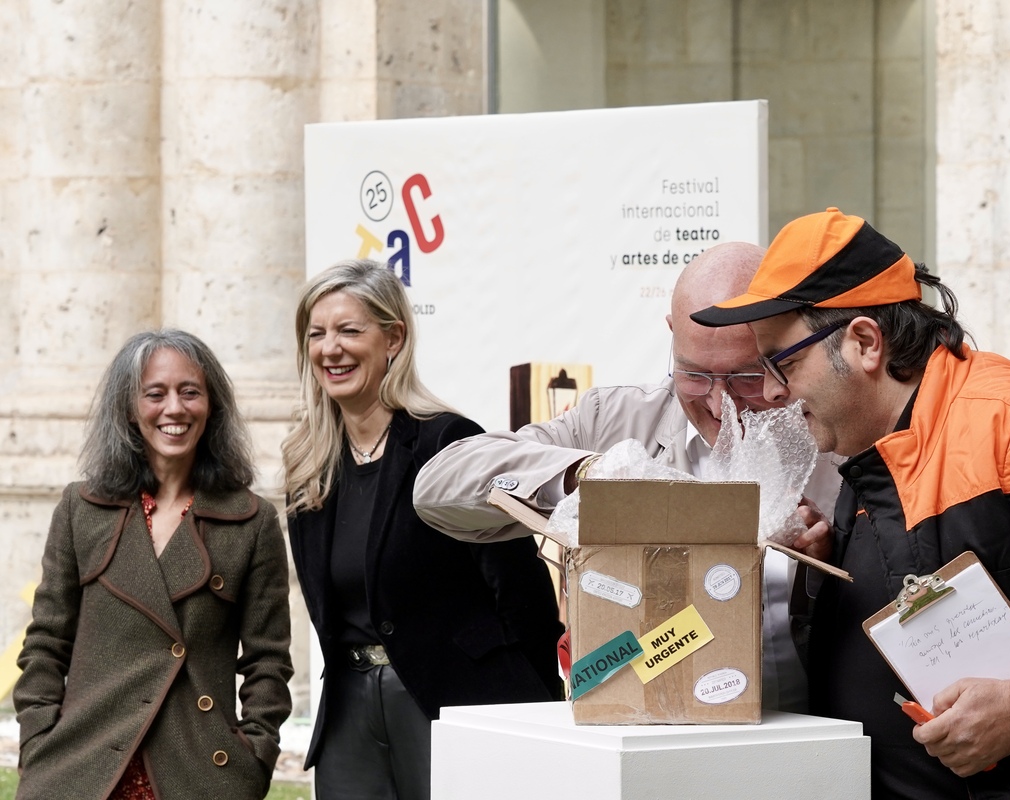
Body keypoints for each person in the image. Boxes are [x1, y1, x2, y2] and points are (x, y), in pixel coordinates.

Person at [691, 207, 1010, 799]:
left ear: (863, 342)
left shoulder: (1009, 426)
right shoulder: (878, 449)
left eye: (784, 361)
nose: (774, 391)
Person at [413, 241, 844, 713]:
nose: (721, 405)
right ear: (671, 336)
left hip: (819, 738)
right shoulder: (616, 421)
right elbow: (438, 485)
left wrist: (828, 564)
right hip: (655, 747)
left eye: (747, 376)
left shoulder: (844, 429)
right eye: (695, 374)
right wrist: (590, 477)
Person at [281, 259, 563, 800]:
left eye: (348, 330)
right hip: (350, 713)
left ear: (393, 338)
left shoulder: (448, 442)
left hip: (456, 701)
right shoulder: (307, 461)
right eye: (316, 334)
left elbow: (519, 588)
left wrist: (535, 714)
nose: (329, 348)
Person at [13, 329, 293, 800]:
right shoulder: (80, 510)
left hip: (199, 773)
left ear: (212, 406)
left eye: (190, 392)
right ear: (129, 408)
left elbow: (268, 661)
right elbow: (45, 642)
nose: (174, 409)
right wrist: (38, 740)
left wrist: (253, 756)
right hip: (82, 769)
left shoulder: (253, 522)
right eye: (155, 394)